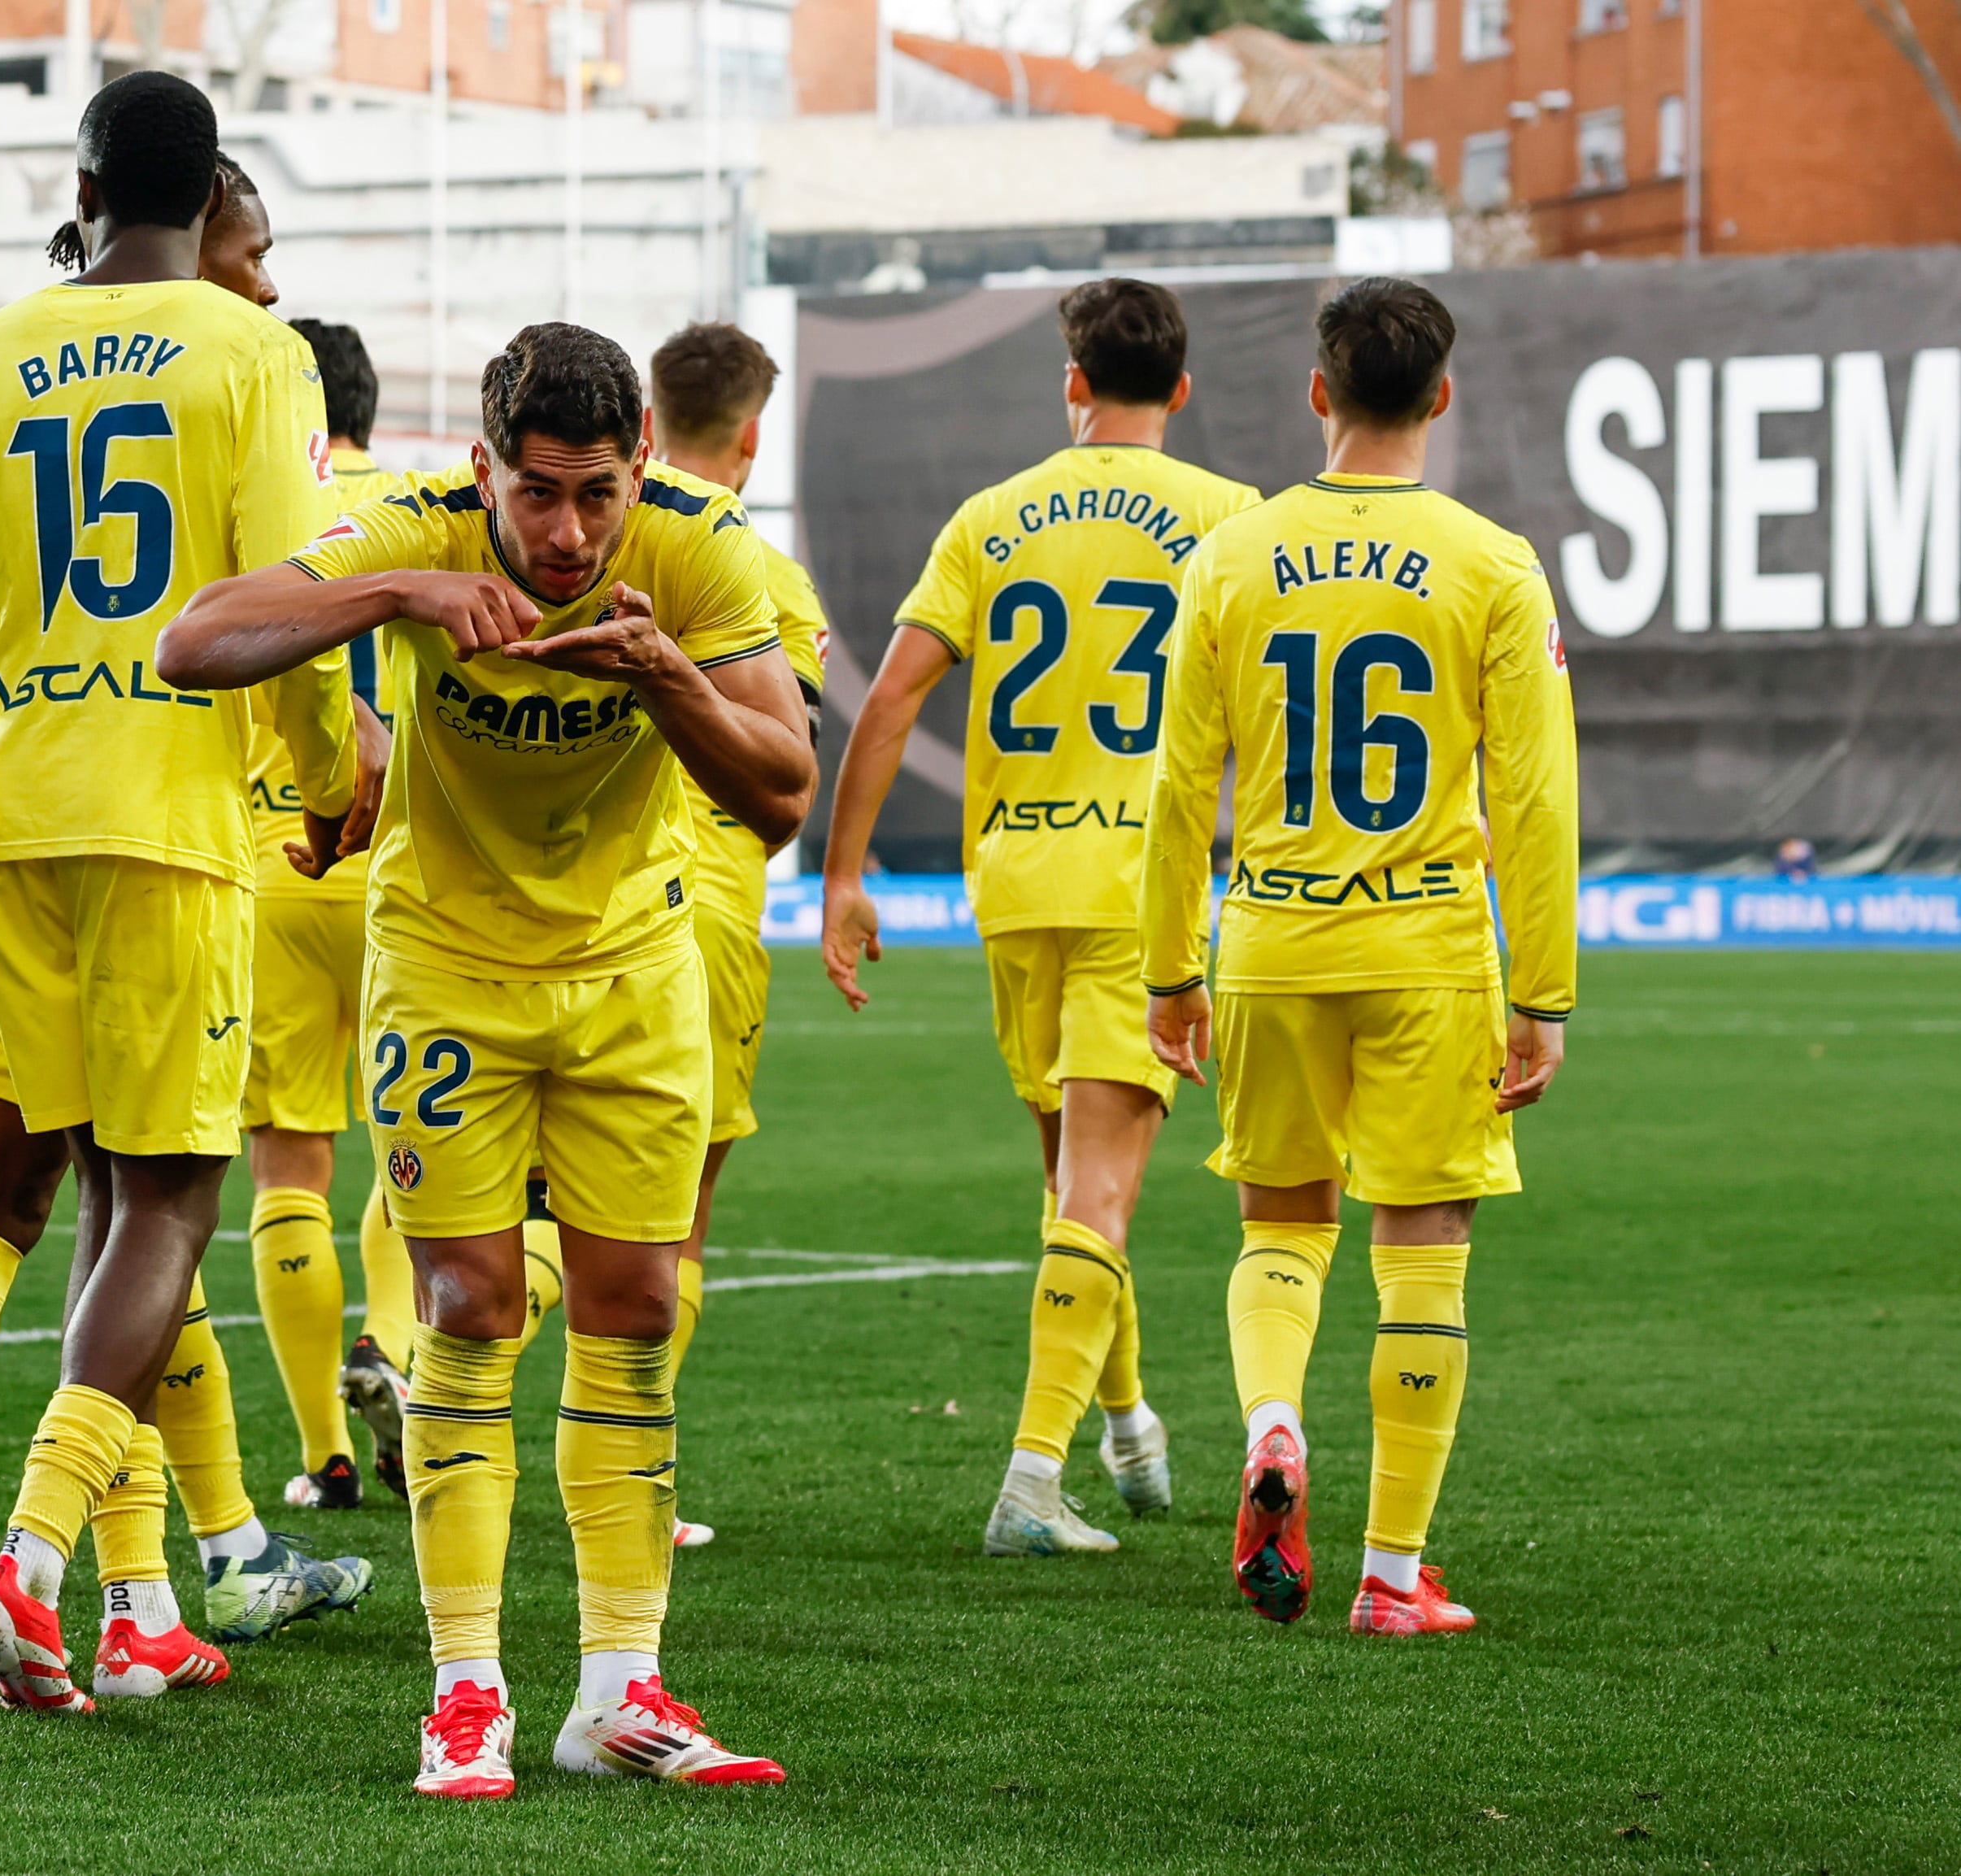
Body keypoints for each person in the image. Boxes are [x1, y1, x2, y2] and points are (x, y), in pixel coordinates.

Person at [160, 320, 812, 1797]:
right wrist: (404, 591)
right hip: (445, 969)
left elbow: (780, 796)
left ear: (641, 464)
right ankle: (467, 1689)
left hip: (633, 972)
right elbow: (192, 641)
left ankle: (620, 1690)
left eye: (596, 492)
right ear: (485, 472)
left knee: (636, 1306)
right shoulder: (419, 529)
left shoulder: (707, 552)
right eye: (537, 495)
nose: (569, 531)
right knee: (467, 1300)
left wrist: (669, 679)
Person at [0, 71, 369, 1712]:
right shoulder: (251, 349)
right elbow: (294, 590)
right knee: (169, 1194)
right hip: (168, 815)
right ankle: (28, 1558)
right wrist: (327, 776)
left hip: (4, 810)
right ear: (209, 204)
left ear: (85, 179)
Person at [1137, 276, 1579, 1636]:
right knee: (1424, 1249)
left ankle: (1275, 1424)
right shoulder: (1493, 560)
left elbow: (1177, 783)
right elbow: (1540, 793)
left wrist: (1170, 968)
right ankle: (1392, 1576)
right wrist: (1542, 996)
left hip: (1269, 939)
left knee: (1283, 1222)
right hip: (1430, 944)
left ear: (1319, 395)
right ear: (1439, 397)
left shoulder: (1229, 555)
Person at [821, 279, 1259, 1556]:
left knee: (1073, 1187)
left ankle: (1126, 1420)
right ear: (1179, 390)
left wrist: (845, 874)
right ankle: (1028, 1481)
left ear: (1073, 384)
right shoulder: (1231, 521)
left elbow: (893, 697)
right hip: (1141, 888)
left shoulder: (992, 517)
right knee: (1101, 1197)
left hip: (1014, 887)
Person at [637, 320, 831, 1551]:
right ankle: (639, 1472)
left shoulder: (590, 543)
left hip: (564, 901)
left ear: (646, 423)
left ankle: (401, 1350)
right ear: (753, 435)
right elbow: (781, 782)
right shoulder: (760, 573)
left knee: (522, 1205)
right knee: (671, 1217)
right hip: (702, 906)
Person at [233, 314, 412, 1513]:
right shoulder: (414, 505)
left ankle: (321, 1457)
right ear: (366, 410)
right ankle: (390, 1344)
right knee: (420, 1151)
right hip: (400, 869)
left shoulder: (247, 520)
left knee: (286, 1170)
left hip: (268, 864)